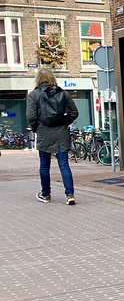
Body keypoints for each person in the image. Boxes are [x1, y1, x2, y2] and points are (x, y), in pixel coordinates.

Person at [26, 68, 79, 205]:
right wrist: (65, 122)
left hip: (44, 133)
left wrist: (35, 128)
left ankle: (46, 194)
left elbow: (31, 116)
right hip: (61, 134)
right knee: (64, 164)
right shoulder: (64, 94)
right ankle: (70, 195)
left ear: (38, 79)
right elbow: (74, 113)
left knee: (44, 165)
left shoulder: (34, 95)